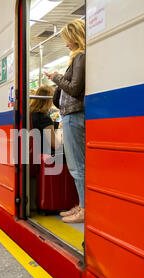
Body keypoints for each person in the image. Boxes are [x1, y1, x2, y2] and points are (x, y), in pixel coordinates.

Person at [45, 19, 86, 224]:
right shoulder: (78, 57)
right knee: (77, 164)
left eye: (67, 40)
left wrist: (56, 78)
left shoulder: (80, 56)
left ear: (74, 37)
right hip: (71, 114)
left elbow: (75, 88)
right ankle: (81, 205)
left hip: (74, 114)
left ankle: (84, 209)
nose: (66, 44)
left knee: (77, 165)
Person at [30, 85, 62, 154]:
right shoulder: (44, 119)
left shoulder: (31, 114)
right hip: (45, 155)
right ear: (50, 100)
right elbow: (55, 145)